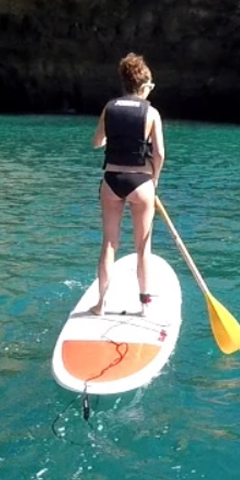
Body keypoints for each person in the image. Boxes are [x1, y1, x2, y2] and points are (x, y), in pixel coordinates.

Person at [90, 53, 166, 316]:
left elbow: (97, 142)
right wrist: (154, 180)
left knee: (109, 243)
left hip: (111, 181)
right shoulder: (152, 113)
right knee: (143, 246)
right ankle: (144, 306)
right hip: (140, 181)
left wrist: (113, 139)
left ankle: (100, 304)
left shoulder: (109, 108)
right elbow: (159, 153)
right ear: (143, 86)